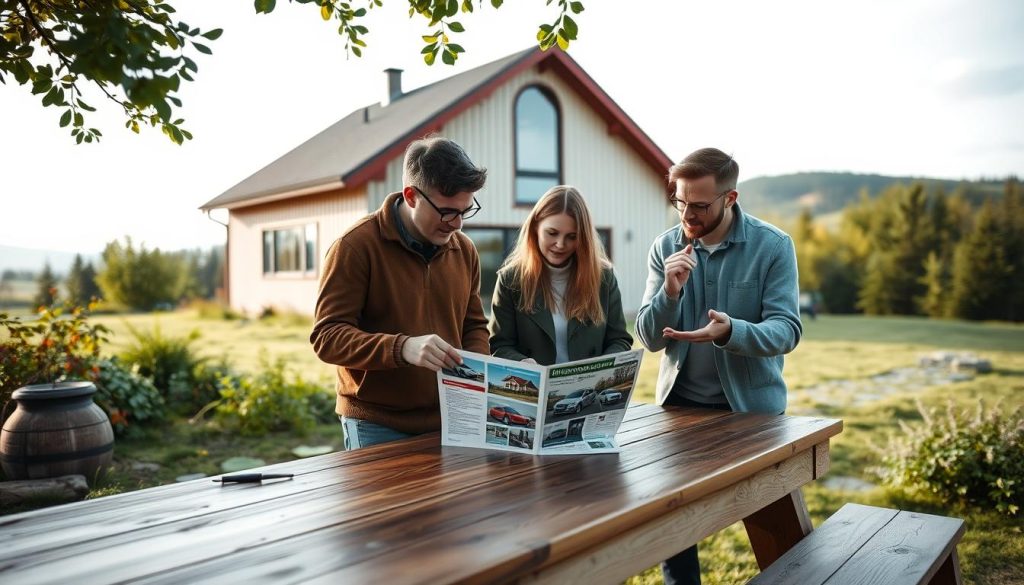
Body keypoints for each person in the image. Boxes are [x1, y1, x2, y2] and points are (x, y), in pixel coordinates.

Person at [634, 148, 802, 585]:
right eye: (680, 201)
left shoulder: (773, 246)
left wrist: (731, 332)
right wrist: (669, 293)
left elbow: (787, 330)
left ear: (730, 198)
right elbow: (650, 339)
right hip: (680, 410)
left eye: (700, 205)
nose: (687, 213)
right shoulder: (664, 247)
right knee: (673, 529)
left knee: (777, 525)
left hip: (751, 413)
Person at [310, 136, 490, 450]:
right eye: (447, 212)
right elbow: (327, 337)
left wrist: (483, 371)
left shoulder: (465, 251)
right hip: (377, 424)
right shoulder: (355, 247)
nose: (458, 224)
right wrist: (402, 348)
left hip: (452, 417)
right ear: (411, 196)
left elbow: (473, 326)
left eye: (465, 211)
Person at [489, 185, 632, 366]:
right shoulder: (510, 280)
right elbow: (500, 345)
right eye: (552, 233)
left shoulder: (603, 277)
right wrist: (522, 363)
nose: (560, 244)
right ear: (535, 228)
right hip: (535, 388)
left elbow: (620, 340)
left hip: (588, 389)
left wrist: (602, 366)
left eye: (572, 236)